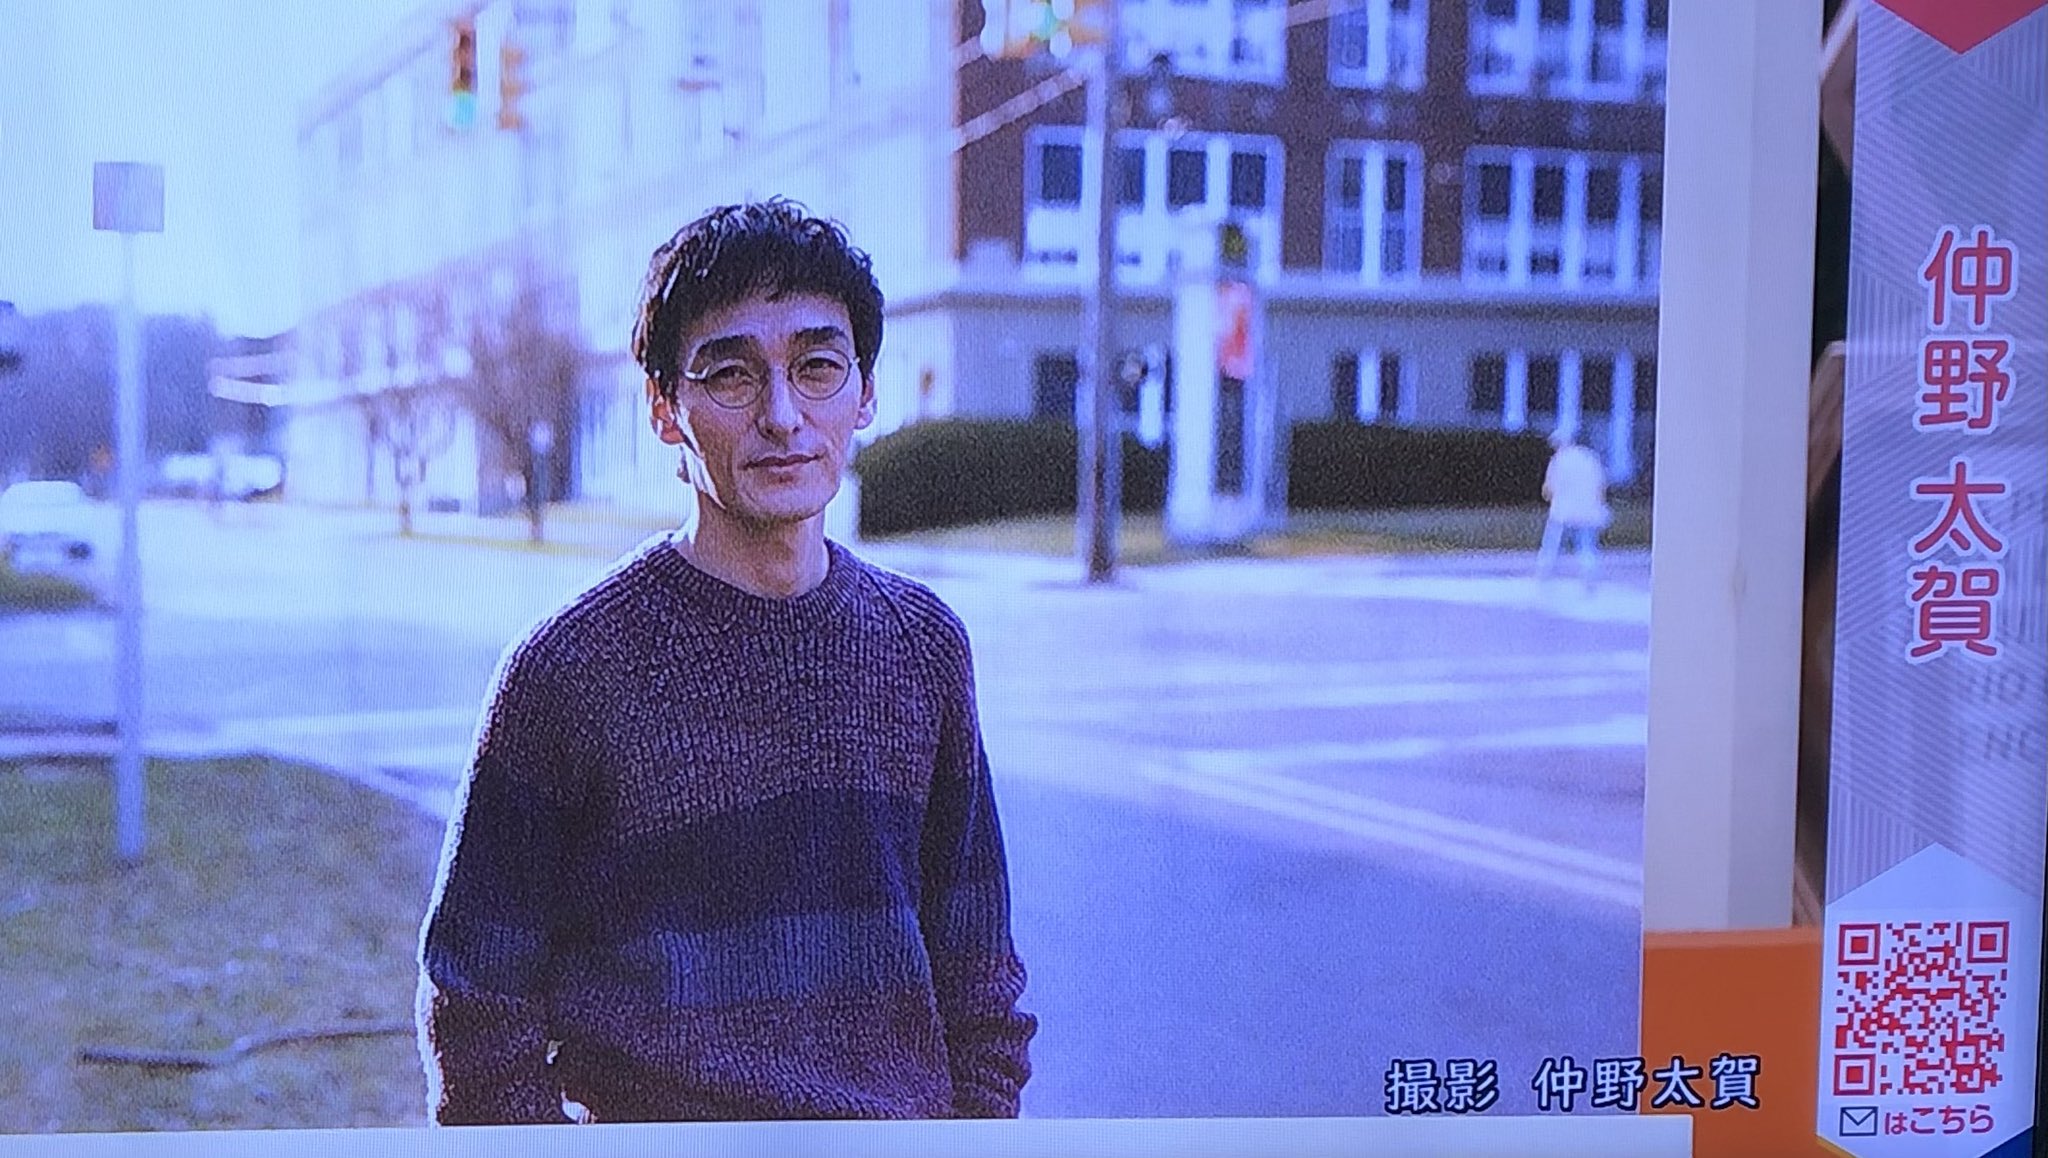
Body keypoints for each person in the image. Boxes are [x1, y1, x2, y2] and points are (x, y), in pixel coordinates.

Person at [417, 199, 1036, 1124]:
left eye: (817, 368)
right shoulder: (567, 673)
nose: (784, 416)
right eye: (732, 375)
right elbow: (475, 1014)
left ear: (866, 393)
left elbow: (979, 982)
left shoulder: (923, 646)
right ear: (665, 408)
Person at [1535, 428, 1609, 587]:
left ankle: (1544, 575)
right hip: (1588, 510)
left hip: (1562, 511)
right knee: (1587, 546)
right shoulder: (1590, 457)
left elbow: (1548, 490)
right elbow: (1601, 486)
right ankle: (1589, 576)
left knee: (1551, 545)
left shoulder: (1558, 460)